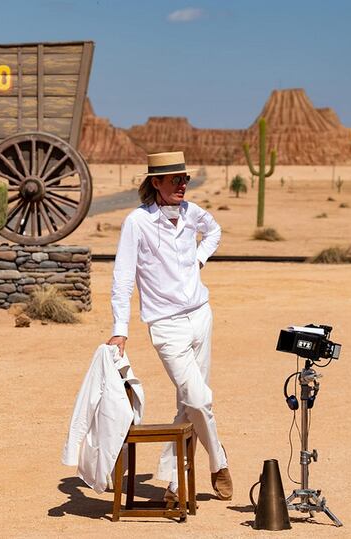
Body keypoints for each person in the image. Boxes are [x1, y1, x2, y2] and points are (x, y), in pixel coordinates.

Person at [107, 151, 233, 501]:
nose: (182, 184)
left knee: (188, 403)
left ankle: (177, 486)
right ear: (155, 183)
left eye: (185, 178)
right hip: (166, 325)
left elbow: (215, 230)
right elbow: (122, 277)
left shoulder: (193, 213)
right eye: (175, 179)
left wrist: (199, 257)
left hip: (201, 316)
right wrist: (121, 327)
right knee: (199, 397)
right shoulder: (137, 222)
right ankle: (218, 461)